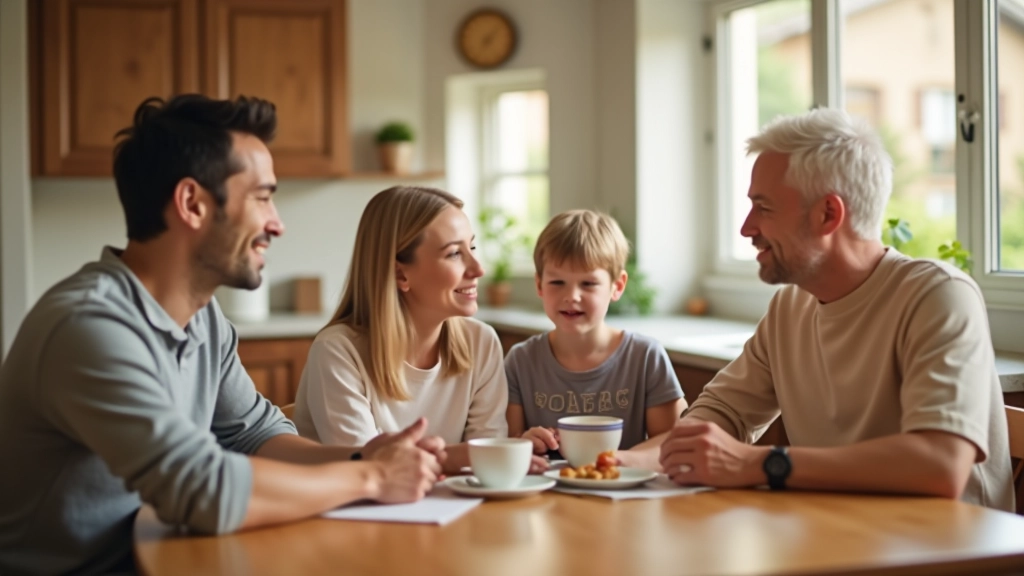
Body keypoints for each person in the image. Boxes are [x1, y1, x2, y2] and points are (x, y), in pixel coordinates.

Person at [0, 95, 442, 575]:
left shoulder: (205, 319)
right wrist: (372, 477)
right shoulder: (88, 329)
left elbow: (254, 434)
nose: (277, 223)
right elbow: (203, 491)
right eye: (262, 197)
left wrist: (359, 454)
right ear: (192, 203)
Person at [625, 108, 1013, 511]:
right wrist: (615, 465)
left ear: (828, 213)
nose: (746, 228)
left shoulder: (938, 295)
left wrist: (762, 463)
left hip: (953, 555)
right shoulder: (791, 306)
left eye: (765, 208)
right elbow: (717, 418)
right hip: (843, 536)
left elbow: (941, 465)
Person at [292, 186, 512, 475]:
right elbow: (372, 472)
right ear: (400, 274)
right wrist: (456, 457)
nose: (478, 268)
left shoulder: (482, 342)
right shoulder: (337, 351)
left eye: (471, 247)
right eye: (455, 254)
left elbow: (488, 464)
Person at [505, 210, 686, 462]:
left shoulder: (645, 356)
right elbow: (508, 442)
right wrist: (526, 444)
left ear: (618, 286)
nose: (572, 296)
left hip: (623, 494)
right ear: (539, 286)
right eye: (557, 282)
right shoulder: (520, 361)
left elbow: (671, 439)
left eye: (588, 284)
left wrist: (619, 461)